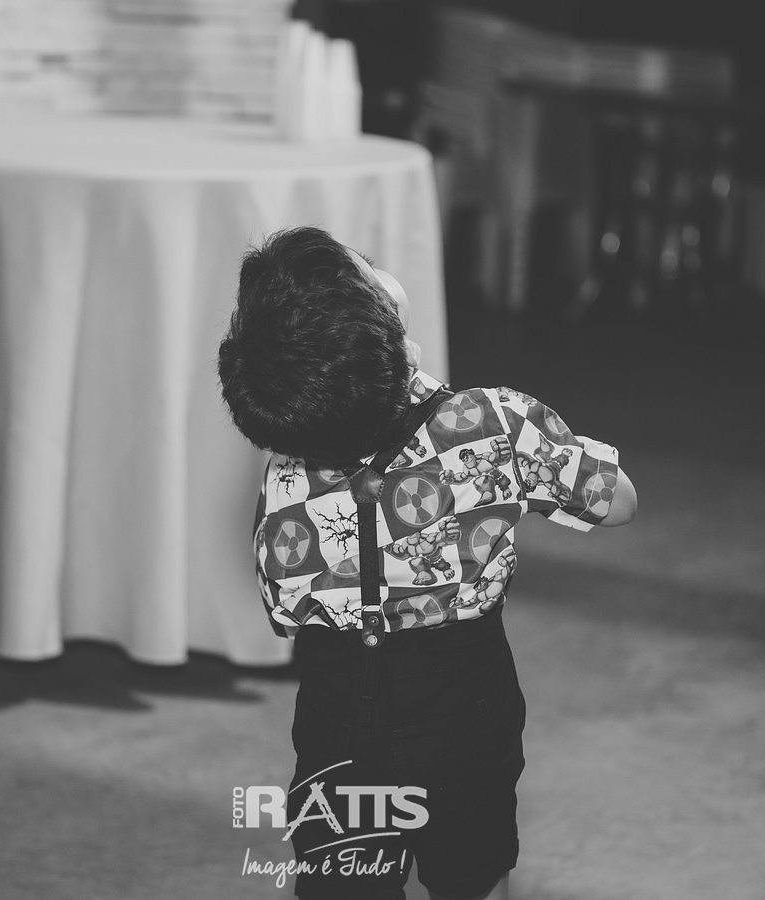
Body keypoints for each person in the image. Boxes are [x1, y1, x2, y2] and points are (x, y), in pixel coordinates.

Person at [217, 226, 636, 900]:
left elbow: (284, 610)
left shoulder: (287, 469)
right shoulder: (491, 423)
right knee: (472, 870)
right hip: (463, 697)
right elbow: (617, 503)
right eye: (367, 268)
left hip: (336, 707)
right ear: (382, 323)